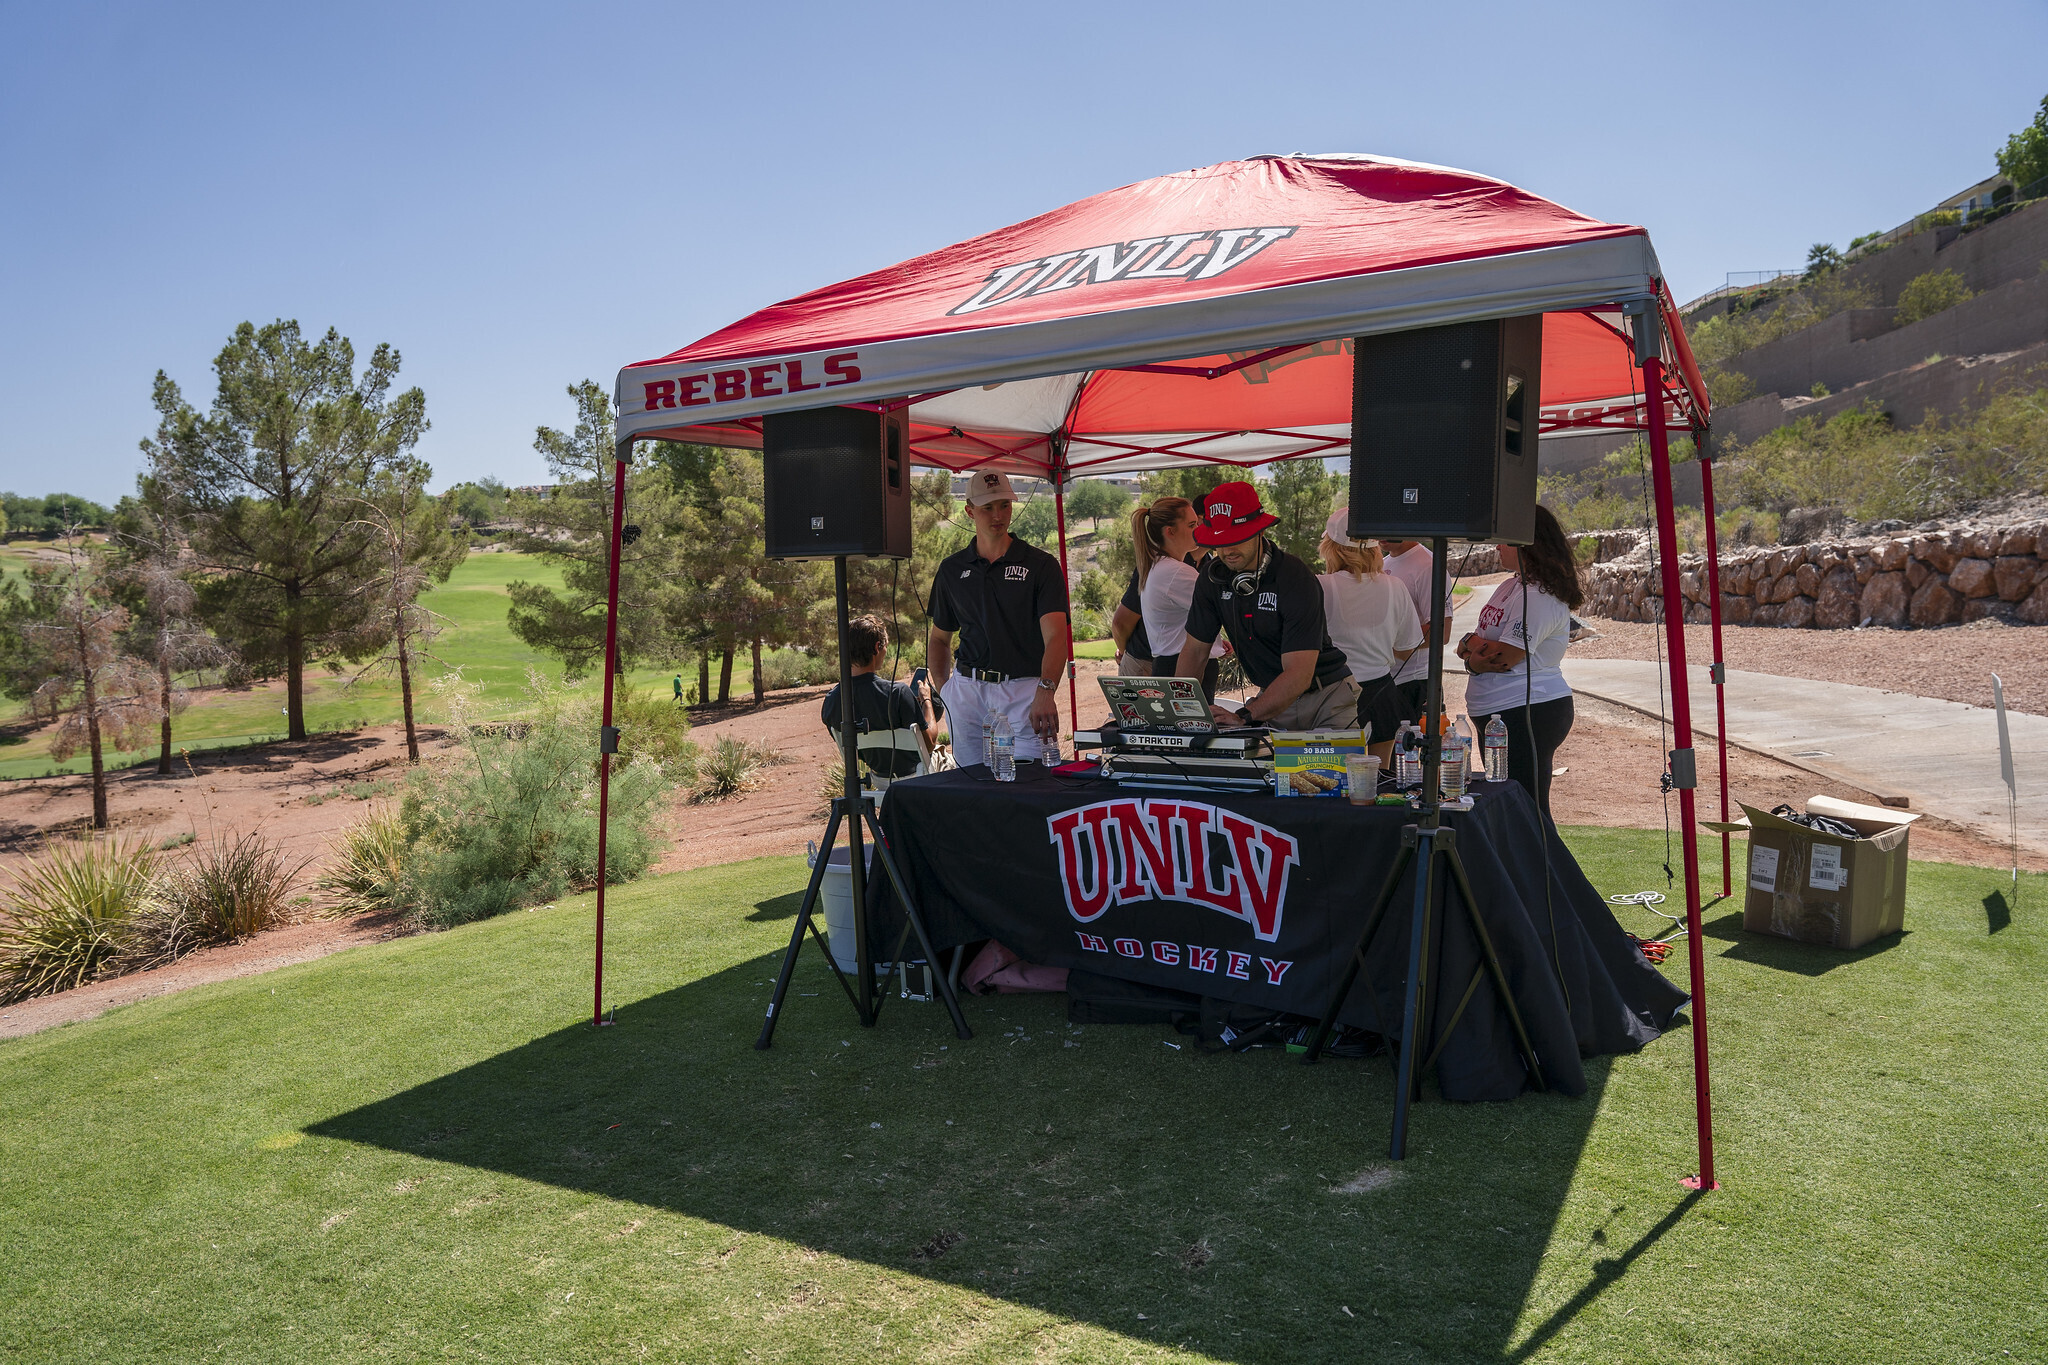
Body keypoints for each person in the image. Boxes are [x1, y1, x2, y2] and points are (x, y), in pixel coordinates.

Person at [1169, 481, 1358, 730]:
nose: (1228, 550)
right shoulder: (1212, 578)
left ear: (1260, 531)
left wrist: (1245, 716)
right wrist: (1180, 711)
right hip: (1272, 698)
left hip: (1325, 699)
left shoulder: (1294, 577)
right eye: (1220, 541)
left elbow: (1299, 674)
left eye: (1236, 538)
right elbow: (1195, 651)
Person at [926, 469, 1071, 764]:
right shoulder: (951, 569)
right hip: (967, 693)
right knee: (970, 783)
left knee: (1033, 781)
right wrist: (946, 691)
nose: (998, 515)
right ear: (969, 511)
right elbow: (939, 639)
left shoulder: (1041, 565)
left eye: (1004, 505)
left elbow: (1057, 637)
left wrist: (1046, 691)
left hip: (1024, 692)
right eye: (987, 507)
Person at [1456, 505, 1583, 822]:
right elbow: (1469, 643)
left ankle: (1546, 858)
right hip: (1503, 714)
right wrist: (1473, 648)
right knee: (1511, 810)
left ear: (1526, 541)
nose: (1497, 545)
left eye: (1503, 538)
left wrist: (1472, 651)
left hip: (1528, 712)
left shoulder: (1539, 596)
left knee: (1527, 812)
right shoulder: (1510, 586)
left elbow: (1505, 657)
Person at [1316, 510, 1422, 758]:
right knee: (1380, 774)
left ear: (1332, 548)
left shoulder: (1320, 586)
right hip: (1380, 691)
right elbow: (1407, 648)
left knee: (1332, 773)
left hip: (1333, 693)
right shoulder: (1394, 586)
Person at [819, 615, 938, 779]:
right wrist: (926, 700)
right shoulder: (898, 693)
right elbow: (929, 745)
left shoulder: (832, 700)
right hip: (917, 776)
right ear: (877, 647)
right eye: (885, 646)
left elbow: (854, 752)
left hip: (878, 779)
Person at [1130, 495, 1223, 695]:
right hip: (1183, 667)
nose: (1198, 529)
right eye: (1191, 525)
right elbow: (1220, 609)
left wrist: (1217, 643)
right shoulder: (1176, 572)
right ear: (1170, 531)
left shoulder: (1158, 567)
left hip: (1169, 664)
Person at [1380, 536, 1458, 713]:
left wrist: (1384, 644)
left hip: (1414, 682)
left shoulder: (1428, 565)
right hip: (1386, 679)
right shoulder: (1383, 563)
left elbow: (1442, 631)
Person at [1108, 571, 1153, 677]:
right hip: (1177, 662)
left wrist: (1123, 652)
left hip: (1141, 662)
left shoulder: (1149, 568)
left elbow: (1120, 624)